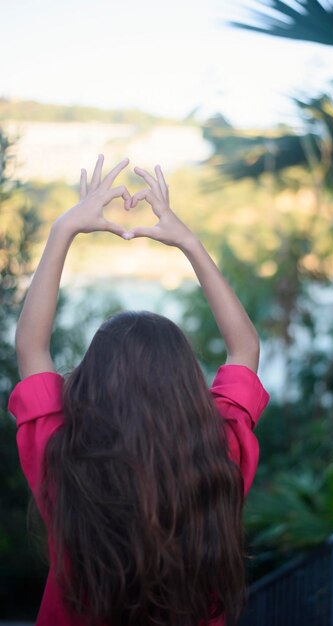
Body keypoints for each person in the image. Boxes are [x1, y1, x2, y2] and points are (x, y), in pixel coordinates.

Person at [7, 155, 270, 626]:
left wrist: (63, 229)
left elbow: (30, 348)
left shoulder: (62, 461)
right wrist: (188, 241)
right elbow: (245, 347)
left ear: (91, 384)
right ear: (186, 385)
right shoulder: (218, 457)